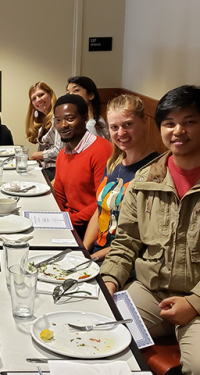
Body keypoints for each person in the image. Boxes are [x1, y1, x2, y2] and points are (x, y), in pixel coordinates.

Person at [101, 85, 200, 375]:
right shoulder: (147, 179)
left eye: (190, 121)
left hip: (196, 299)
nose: (178, 130)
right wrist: (110, 280)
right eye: (169, 123)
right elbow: (126, 241)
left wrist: (194, 302)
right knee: (98, 327)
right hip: (150, 291)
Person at [83, 95, 159, 260]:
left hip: (125, 260)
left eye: (128, 125)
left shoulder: (155, 170)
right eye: (114, 127)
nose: (121, 133)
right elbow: (100, 211)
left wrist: (93, 258)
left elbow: (139, 237)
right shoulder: (113, 163)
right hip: (97, 253)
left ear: (144, 121)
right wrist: (83, 250)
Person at [53, 94, 112, 238]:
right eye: (58, 120)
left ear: (85, 117)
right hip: (70, 225)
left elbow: (102, 200)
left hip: (93, 229)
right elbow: (59, 195)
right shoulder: (62, 155)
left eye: (70, 119)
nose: (63, 125)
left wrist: (69, 221)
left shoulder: (101, 150)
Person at [25, 81, 64, 181]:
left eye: (41, 95)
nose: (38, 100)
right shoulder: (44, 121)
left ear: (50, 94)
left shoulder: (59, 116)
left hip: (58, 171)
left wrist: (37, 155)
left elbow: (60, 151)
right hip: (46, 168)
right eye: (34, 98)